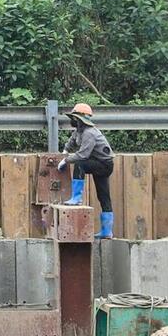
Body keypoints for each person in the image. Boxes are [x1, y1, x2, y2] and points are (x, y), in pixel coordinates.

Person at [57, 102, 117, 239]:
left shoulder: (90, 133)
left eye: (74, 118)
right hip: (98, 162)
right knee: (103, 197)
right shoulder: (79, 130)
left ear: (80, 119)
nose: (72, 120)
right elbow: (72, 142)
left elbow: (83, 155)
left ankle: (76, 198)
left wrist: (66, 160)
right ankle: (107, 231)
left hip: (104, 164)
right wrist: (65, 151)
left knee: (80, 164)